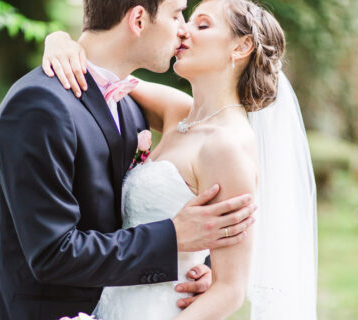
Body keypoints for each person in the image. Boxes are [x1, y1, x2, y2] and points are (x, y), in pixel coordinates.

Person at [43, 0, 318, 319]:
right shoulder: (178, 112)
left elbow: (230, 289)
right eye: (185, 20)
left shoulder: (226, 146)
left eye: (202, 25)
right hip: (113, 301)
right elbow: (105, 71)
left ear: (241, 46)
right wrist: (59, 41)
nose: (183, 29)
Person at [0, 0, 258, 319]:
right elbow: (50, 253)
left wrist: (207, 268)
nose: (182, 28)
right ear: (139, 20)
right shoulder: (39, 105)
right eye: (176, 14)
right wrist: (173, 238)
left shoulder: (130, 106)